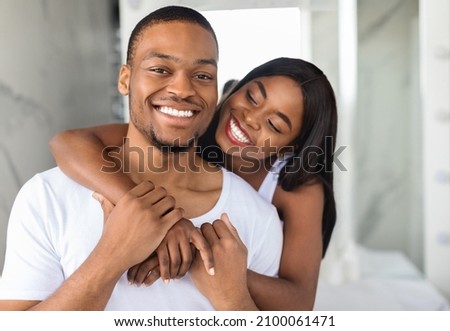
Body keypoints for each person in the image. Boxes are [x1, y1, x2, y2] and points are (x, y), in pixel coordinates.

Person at [0, 6, 283, 311]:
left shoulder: (258, 219)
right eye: (160, 69)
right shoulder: (46, 197)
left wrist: (231, 299)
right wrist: (111, 256)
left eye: (202, 75)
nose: (182, 89)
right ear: (125, 79)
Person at [48, 55, 338, 310]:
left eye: (275, 125)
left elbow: (299, 302)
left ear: (289, 148)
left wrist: (208, 262)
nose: (250, 118)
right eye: (251, 97)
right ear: (236, 88)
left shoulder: (299, 186)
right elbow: (68, 143)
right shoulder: (191, 124)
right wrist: (154, 218)